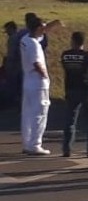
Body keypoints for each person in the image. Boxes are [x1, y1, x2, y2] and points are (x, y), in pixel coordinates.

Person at [61, 31, 88, 158]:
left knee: (70, 120)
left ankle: (67, 148)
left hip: (71, 89)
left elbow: (65, 68)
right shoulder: (87, 55)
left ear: (73, 41)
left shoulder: (65, 55)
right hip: (86, 89)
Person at [20, 17, 51, 155]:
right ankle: (35, 144)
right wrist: (45, 76)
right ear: (37, 29)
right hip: (38, 82)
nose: (44, 31)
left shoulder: (25, 39)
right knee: (40, 113)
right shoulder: (33, 45)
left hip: (28, 80)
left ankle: (27, 142)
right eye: (42, 28)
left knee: (28, 113)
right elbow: (37, 64)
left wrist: (52, 24)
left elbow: (40, 34)